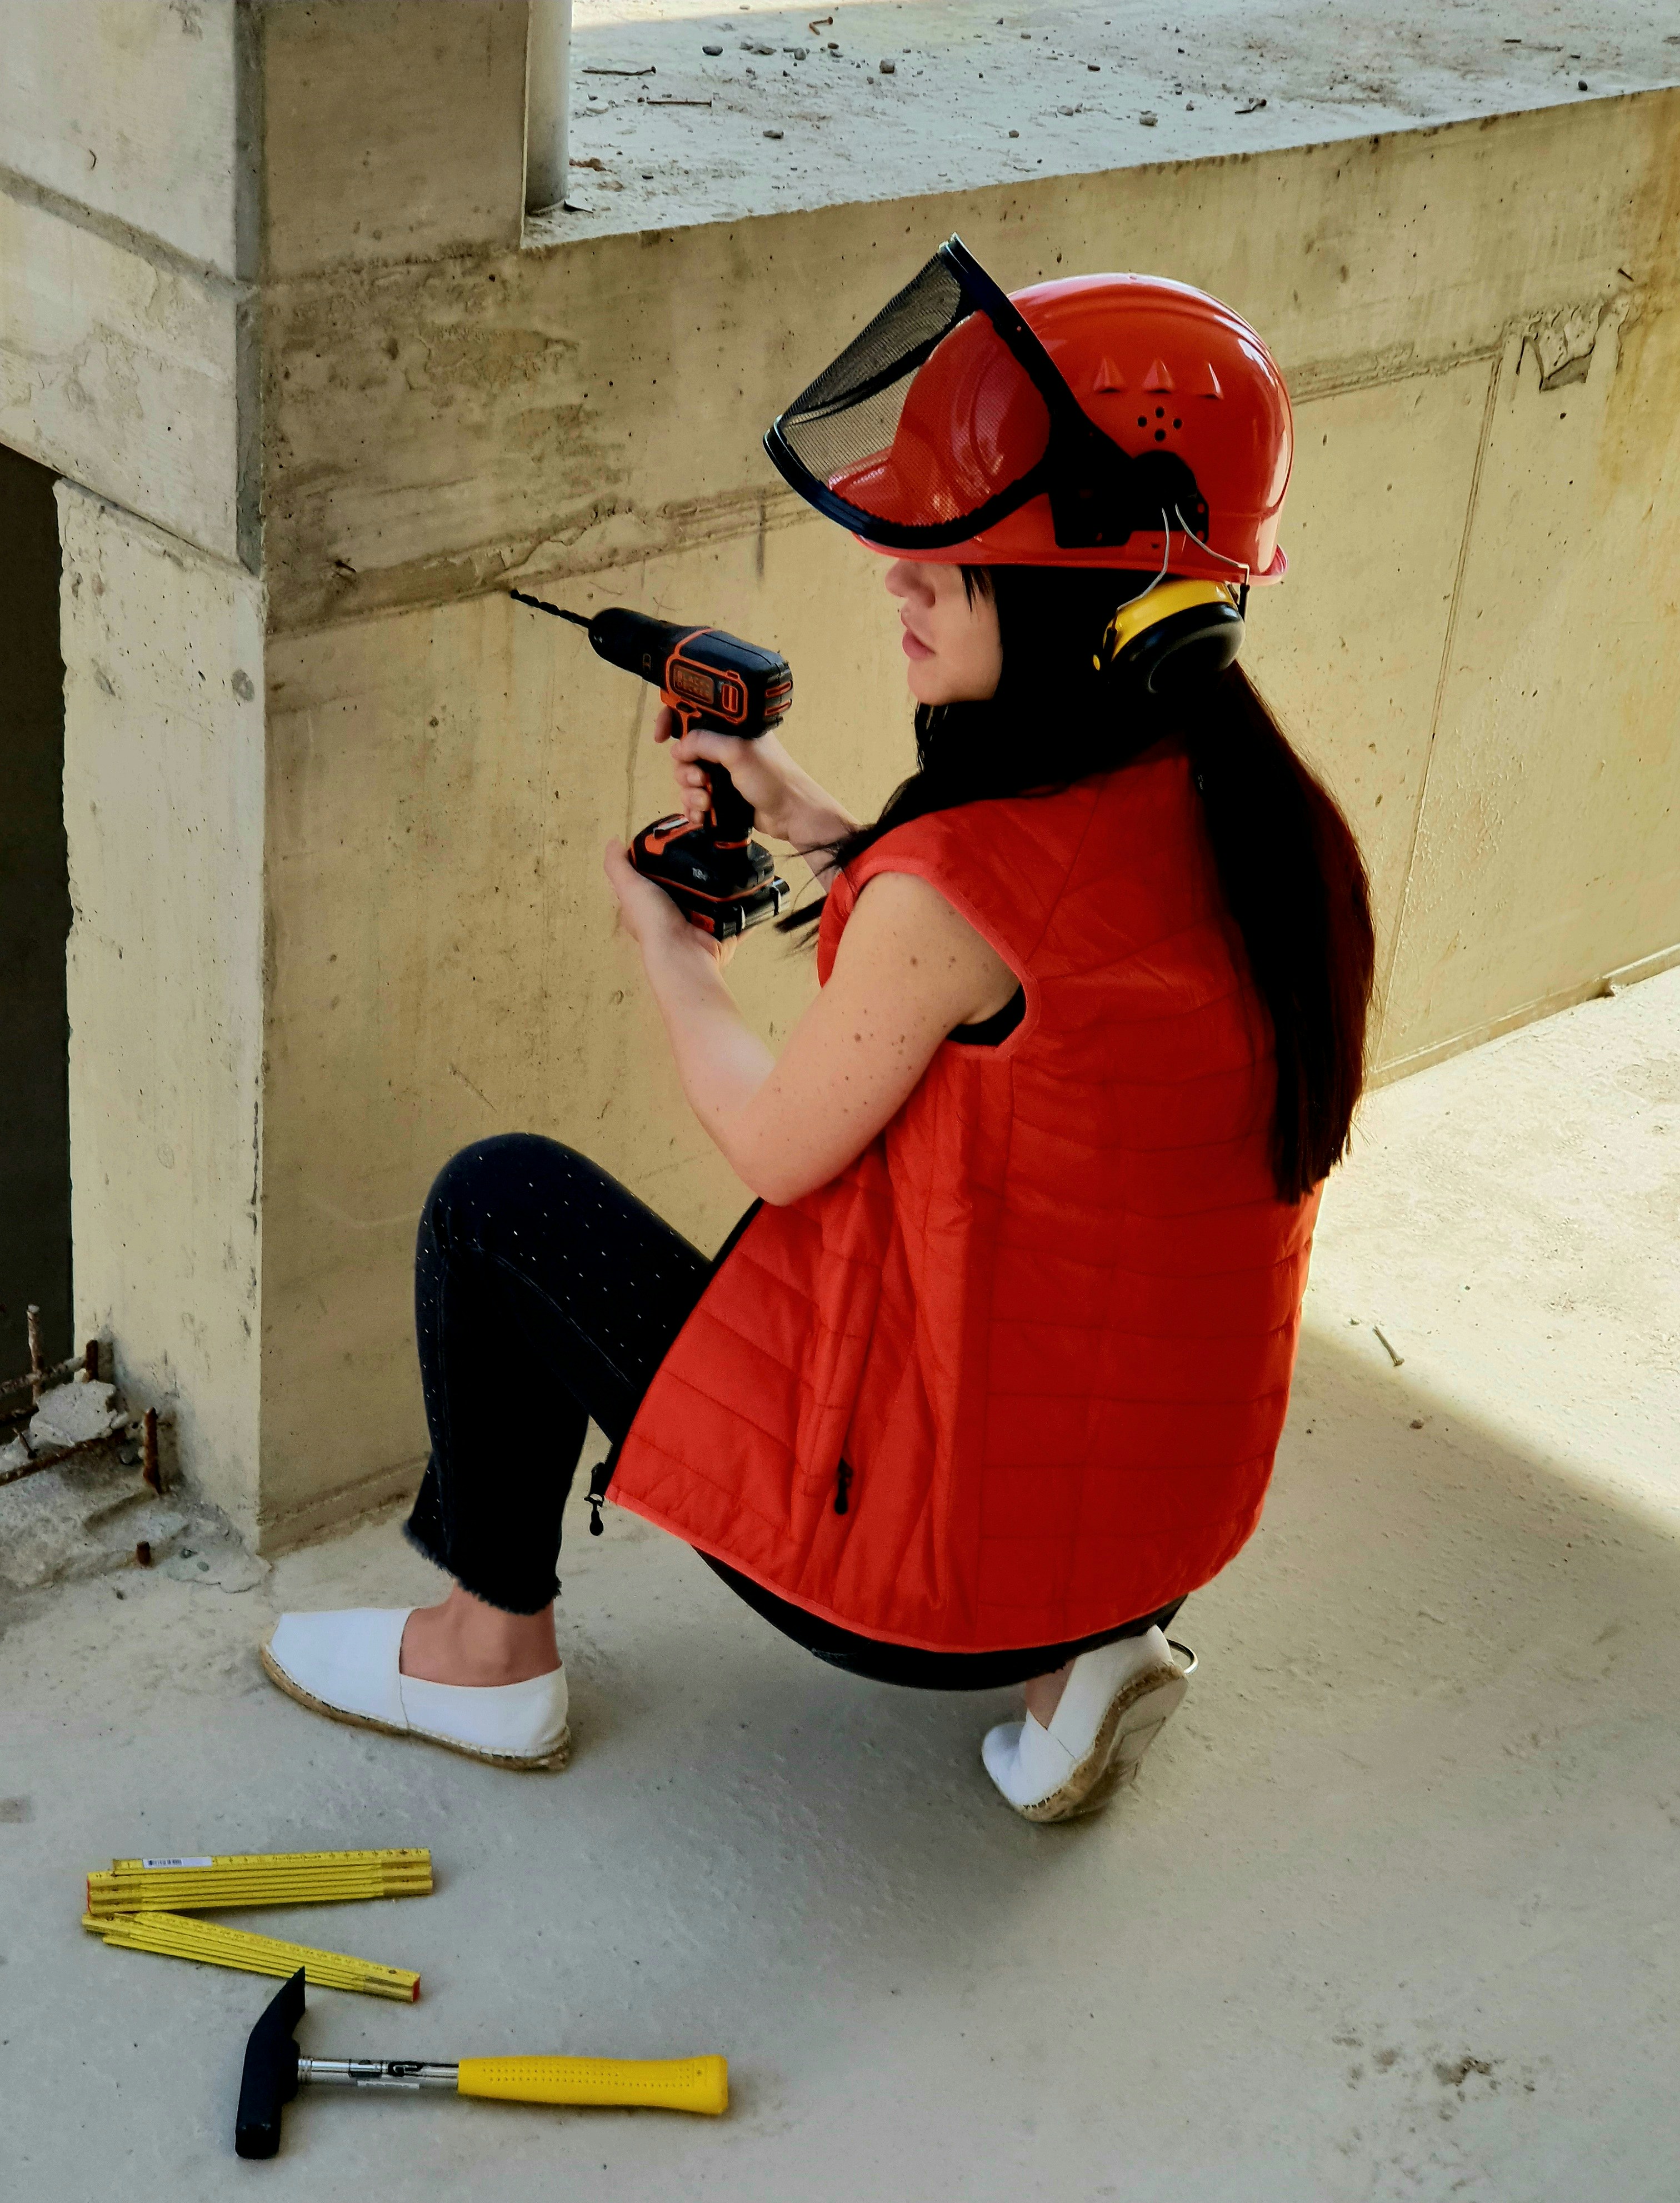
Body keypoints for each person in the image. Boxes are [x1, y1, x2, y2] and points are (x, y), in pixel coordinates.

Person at [263, 243, 1374, 1823]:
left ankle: (483, 1654)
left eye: (955, 552)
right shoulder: (1267, 829)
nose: (899, 577)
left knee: (499, 1204)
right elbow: (1009, 975)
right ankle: (1090, 1667)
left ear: (1097, 593)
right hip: (1157, 1530)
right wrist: (817, 828)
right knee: (1083, 1260)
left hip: (924, 1591)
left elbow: (777, 1145)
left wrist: (672, 950)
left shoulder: (952, 891)